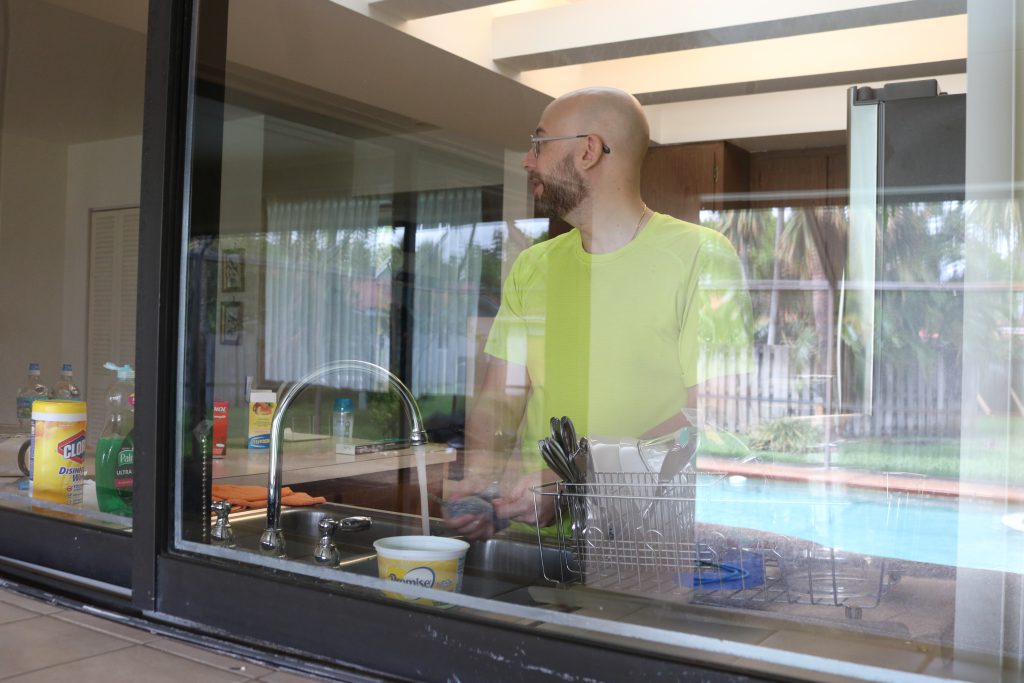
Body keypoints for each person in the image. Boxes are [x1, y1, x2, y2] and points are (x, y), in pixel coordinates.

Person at [446, 87, 752, 539]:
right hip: (538, 544)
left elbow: (712, 412)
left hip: (645, 543)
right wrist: (478, 475)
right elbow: (499, 397)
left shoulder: (700, 256)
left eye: (539, 144)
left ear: (588, 150)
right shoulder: (533, 266)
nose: (527, 161)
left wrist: (575, 480)